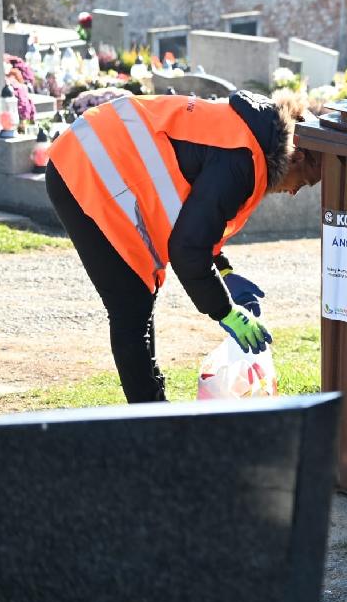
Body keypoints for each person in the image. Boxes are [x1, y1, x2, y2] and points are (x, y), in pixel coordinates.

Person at [46, 89, 323, 403]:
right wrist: (226, 312)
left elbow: (200, 221)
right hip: (85, 167)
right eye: (306, 180)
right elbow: (187, 248)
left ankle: (154, 413)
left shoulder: (250, 138)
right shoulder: (243, 159)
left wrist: (226, 272)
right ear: (297, 156)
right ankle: (152, 422)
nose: (296, 192)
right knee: (130, 307)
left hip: (92, 154)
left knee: (137, 304)